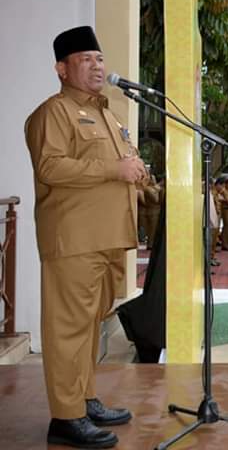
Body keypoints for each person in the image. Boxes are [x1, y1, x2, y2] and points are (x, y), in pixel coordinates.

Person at [25, 26, 141, 448]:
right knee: (68, 330)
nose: (97, 65)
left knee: (90, 328)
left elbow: (118, 168)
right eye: (86, 59)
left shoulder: (108, 114)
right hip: (73, 239)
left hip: (107, 238)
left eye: (100, 58)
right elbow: (50, 168)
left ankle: (85, 398)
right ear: (61, 68)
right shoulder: (52, 113)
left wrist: (135, 169)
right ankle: (66, 417)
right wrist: (116, 170)